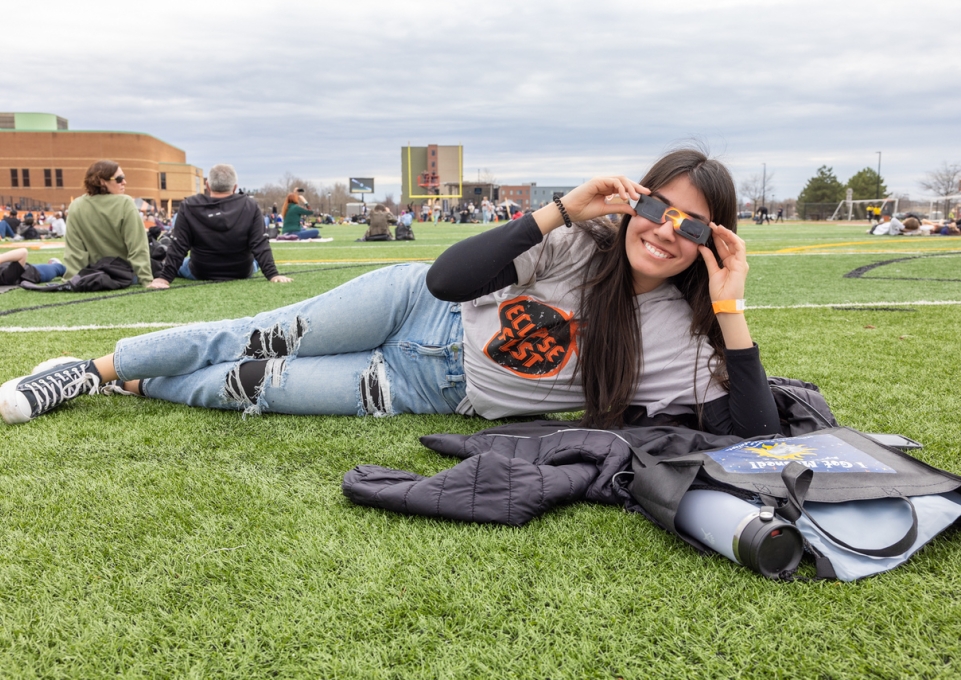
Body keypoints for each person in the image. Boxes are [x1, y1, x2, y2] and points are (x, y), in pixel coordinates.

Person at [0, 148, 781, 441]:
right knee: (252, 336)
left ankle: (138, 379)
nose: (665, 229)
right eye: (656, 206)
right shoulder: (581, 241)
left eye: (692, 223)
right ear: (633, 201)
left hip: (428, 388)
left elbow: (753, 433)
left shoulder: (685, 334)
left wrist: (729, 306)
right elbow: (447, 279)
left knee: (253, 389)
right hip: (415, 307)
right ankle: (87, 370)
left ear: (715, 240)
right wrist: (563, 209)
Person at [146, 165, 291, 289]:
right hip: (241, 271)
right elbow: (260, 244)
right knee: (256, 261)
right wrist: (273, 274)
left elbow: (179, 246)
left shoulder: (189, 206)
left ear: (208, 186)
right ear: (235, 188)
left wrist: (164, 278)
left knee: (182, 262)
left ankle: (161, 261)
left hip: (200, 271)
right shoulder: (250, 205)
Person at [62, 160, 153, 285]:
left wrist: (72, 280)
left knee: (57, 268)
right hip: (124, 275)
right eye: (119, 178)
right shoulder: (125, 203)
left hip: (94, 275)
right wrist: (147, 280)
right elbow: (138, 247)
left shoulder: (76, 205)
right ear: (102, 181)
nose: (124, 182)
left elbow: (74, 251)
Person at [0, 248, 65, 284]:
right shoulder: (5, 277)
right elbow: (23, 252)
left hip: (25, 267)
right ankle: (56, 264)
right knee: (61, 268)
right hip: (37, 273)